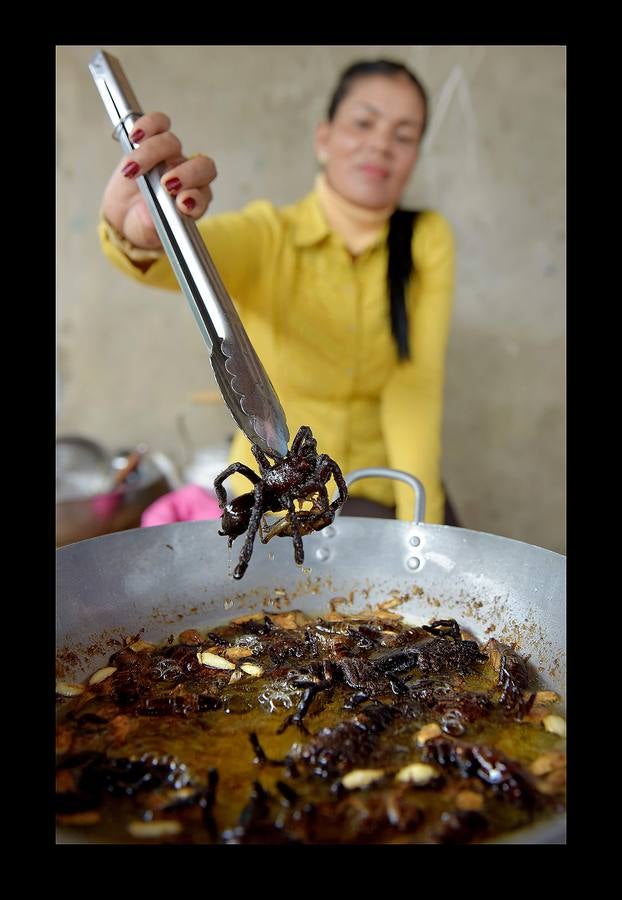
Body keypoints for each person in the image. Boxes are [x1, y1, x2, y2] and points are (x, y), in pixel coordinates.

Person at [99, 59, 458, 525]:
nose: (381, 145)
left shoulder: (427, 239)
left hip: (380, 486)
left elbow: (415, 389)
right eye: (364, 123)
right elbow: (191, 260)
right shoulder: (270, 236)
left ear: (415, 155)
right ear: (324, 137)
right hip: (279, 494)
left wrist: (420, 524)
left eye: (404, 135)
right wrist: (150, 232)